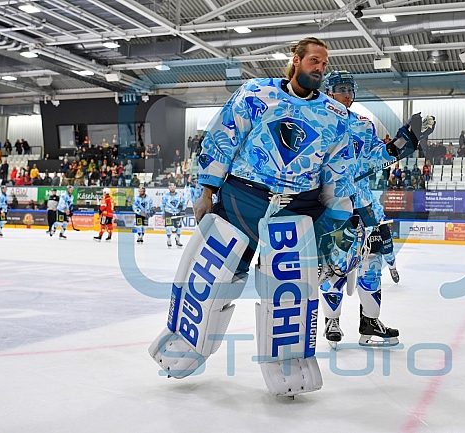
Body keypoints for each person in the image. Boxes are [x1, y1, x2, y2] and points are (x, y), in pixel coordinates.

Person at [149, 37, 370, 397]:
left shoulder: (337, 116)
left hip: (297, 211)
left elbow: (338, 174)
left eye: (325, 64)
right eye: (315, 60)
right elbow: (223, 137)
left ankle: (289, 365)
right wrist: (205, 190)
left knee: (290, 293)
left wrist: (334, 223)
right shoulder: (256, 93)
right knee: (210, 276)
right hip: (241, 199)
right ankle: (184, 343)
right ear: (295, 61)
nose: (321, 68)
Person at [318, 70, 431, 348]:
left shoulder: (363, 125)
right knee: (335, 267)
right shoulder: (316, 121)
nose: (348, 93)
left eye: (351, 88)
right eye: (342, 88)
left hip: (366, 204)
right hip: (334, 207)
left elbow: (376, 159)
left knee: (372, 263)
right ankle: (332, 321)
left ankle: (370, 320)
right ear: (329, 91)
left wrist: (406, 141)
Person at [161, 183, 186, 248]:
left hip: (177, 213)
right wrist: (163, 213)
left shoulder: (180, 195)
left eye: (173, 187)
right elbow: (163, 205)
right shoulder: (165, 196)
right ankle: (169, 239)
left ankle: (178, 240)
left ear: (175, 188)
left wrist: (183, 210)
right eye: (171, 187)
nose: (172, 188)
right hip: (168, 212)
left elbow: (184, 203)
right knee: (168, 227)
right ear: (169, 188)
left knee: (178, 227)